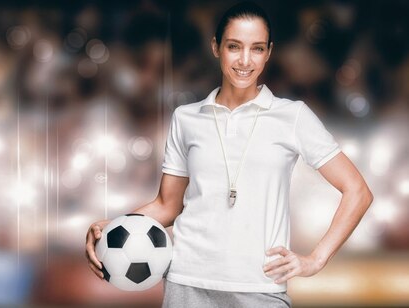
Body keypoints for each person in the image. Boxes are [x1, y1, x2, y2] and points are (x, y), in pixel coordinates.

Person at [85, 1, 373, 307]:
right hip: (186, 283)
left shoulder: (293, 116)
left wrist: (316, 260)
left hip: (259, 287)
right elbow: (167, 205)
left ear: (269, 52)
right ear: (216, 47)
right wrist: (112, 227)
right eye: (234, 46)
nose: (245, 60)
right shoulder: (187, 118)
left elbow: (357, 191)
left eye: (257, 48)